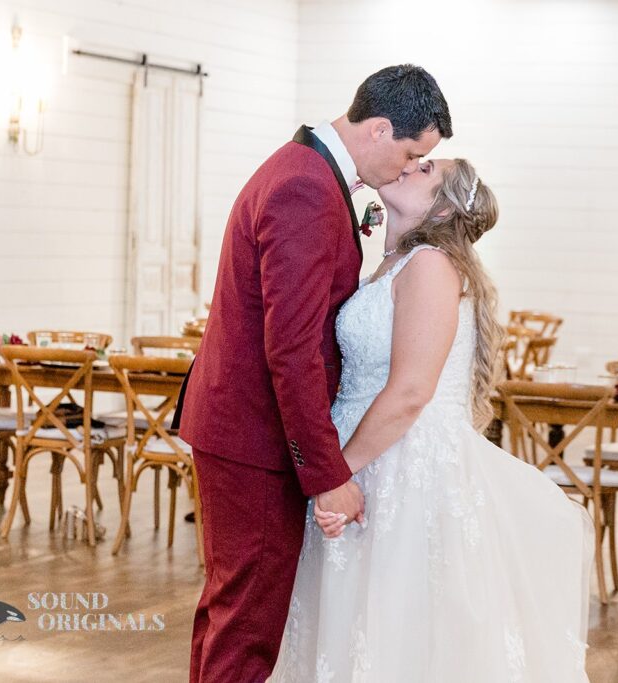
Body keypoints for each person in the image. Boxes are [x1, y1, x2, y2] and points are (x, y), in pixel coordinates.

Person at [176, 65, 453, 682]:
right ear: (380, 129)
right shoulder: (305, 185)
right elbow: (292, 350)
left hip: (243, 431)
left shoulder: (305, 170)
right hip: (255, 438)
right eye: (411, 153)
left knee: (229, 613)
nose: (409, 169)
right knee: (246, 629)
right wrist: (327, 476)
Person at [270, 159, 594, 682]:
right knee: (353, 626)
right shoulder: (393, 262)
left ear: (441, 206)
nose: (406, 166)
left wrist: (336, 473)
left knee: (399, 628)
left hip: (401, 464)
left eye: (423, 169)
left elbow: (411, 392)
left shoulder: (430, 265)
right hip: (366, 456)